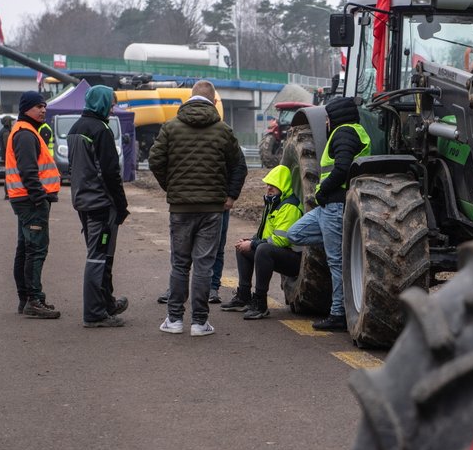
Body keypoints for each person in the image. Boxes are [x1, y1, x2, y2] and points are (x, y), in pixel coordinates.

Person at [149, 80, 246, 337]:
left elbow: (155, 160)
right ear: (214, 102)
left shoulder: (170, 128)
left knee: (180, 264)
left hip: (180, 208)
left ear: (188, 99)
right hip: (212, 209)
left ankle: (174, 319)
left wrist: (170, 187)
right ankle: (200, 322)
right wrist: (230, 196)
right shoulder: (223, 130)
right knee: (204, 265)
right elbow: (239, 165)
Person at [287, 96, 370, 331]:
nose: (325, 123)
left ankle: (338, 314)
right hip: (326, 207)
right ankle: (345, 243)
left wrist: (323, 190)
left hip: (333, 205)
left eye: (327, 118)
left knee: (335, 261)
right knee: (295, 234)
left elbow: (342, 168)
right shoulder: (348, 131)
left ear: (336, 117)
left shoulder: (345, 133)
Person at [67, 85, 130, 328]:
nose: (112, 109)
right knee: (98, 257)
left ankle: (107, 302)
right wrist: (121, 205)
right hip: (101, 204)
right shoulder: (100, 130)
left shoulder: (76, 128)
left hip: (83, 201)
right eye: (111, 104)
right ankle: (95, 313)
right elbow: (110, 173)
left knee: (103, 255)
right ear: (102, 103)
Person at [5, 90, 61, 318]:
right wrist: (39, 198)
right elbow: (28, 171)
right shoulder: (26, 134)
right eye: (38, 106)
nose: (43, 109)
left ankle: (26, 298)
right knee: (36, 250)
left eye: (44, 106)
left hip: (24, 198)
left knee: (25, 249)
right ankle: (33, 299)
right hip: (31, 200)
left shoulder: (25, 131)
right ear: (26, 109)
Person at [220, 165, 302, 319]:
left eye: (273, 185)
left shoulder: (290, 206)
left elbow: (280, 240)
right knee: (243, 246)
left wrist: (253, 244)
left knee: (263, 249)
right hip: (282, 253)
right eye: (268, 185)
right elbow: (265, 235)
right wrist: (250, 242)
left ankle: (260, 302)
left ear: (283, 186)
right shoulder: (273, 203)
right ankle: (243, 297)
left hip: (296, 260)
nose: (269, 188)